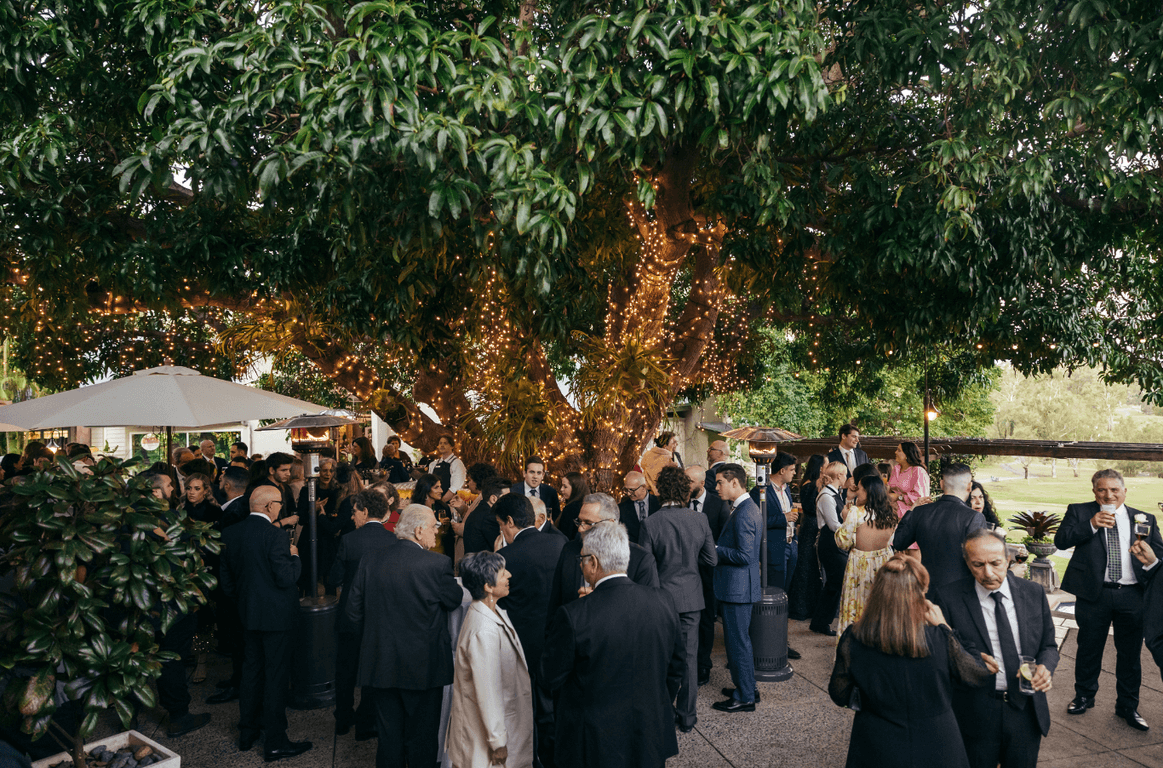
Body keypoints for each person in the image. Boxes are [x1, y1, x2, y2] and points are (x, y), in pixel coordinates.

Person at [829, 554, 996, 768]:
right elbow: (976, 673)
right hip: (938, 743)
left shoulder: (854, 637)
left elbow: (839, 692)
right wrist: (945, 627)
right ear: (920, 595)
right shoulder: (940, 638)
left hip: (877, 740)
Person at [541, 522, 683, 768]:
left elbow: (550, 677)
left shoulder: (574, 615)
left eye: (582, 559)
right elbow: (677, 666)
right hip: (648, 730)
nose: (580, 564)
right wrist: (653, 701)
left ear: (593, 563)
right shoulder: (663, 601)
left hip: (594, 740)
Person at [346, 504, 465, 768]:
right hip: (424, 666)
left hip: (380, 662)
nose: (437, 531)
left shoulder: (370, 560)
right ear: (419, 530)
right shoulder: (437, 564)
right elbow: (454, 599)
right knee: (422, 738)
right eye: (434, 526)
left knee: (388, 738)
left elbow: (353, 612)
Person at [936, 529, 1059, 768]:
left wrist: (1045, 667)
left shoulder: (1033, 592)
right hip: (975, 714)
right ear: (967, 563)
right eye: (978, 565)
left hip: (1025, 711)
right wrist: (967, 658)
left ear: (1008, 559)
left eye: (995, 563)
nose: (988, 573)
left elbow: (1049, 645)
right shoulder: (948, 598)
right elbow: (940, 657)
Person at [1054, 468, 1163, 730]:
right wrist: (1091, 525)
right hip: (1094, 594)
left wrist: (1149, 560)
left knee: (1130, 654)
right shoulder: (1080, 511)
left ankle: (1128, 706)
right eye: (1102, 489)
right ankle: (1084, 696)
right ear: (1094, 491)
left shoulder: (1144, 518)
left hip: (1133, 595)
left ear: (1124, 491)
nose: (1108, 495)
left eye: (1114, 489)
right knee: (1088, 648)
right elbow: (1061, 541)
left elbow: (1159, 556)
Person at [219, 485, 312, 761]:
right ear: (270, 506)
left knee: (251, 672)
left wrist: (245, 602)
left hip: (247, 615)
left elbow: (227, 582)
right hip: (277, 618)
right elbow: (286, 578)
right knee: (275, 677)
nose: (281, 508)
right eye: (280, 503)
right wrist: (295, 556)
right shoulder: (276, 536)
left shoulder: (230, 533)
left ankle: (247, 732)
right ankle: (275, 740)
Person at [639, 466, 716, 732]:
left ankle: (661, 712)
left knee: (660, 658)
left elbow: (646, 568)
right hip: (692, 599)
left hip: (661, 600)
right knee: (690, 659)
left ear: (660, 491)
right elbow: (712, 559)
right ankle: (687, 717)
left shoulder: (650, 523)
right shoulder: (700, 520)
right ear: (685, 491)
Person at [493, 492, 567, 767]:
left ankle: (535, 759)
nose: (502, 530)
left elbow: (497, 603)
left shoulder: (504, 557)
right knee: (556, 704)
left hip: (524, 643)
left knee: (529, 709)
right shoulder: (560, 543)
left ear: (510, 522)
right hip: (559, 636)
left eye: (501, 525)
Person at [447, 552, 534, 768]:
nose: (509, 575)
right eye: (503, 573)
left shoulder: (494, 612)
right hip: (484, 737)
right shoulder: (483, 631)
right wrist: (498, 742)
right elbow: (488, 690)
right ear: (488, 586)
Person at [328, 490, 399, 740]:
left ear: (365, 512)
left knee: (345, 668)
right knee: (374, 666)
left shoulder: (349, 540)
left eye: (354, 511)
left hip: (351, 612)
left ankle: (343, 718)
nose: (352, 516)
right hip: (381, 614)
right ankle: (367, 722)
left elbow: (334, 578)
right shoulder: (394, 540)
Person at [547, 493, 659, 618]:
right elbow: (555, 604)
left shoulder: (642, 560)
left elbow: (649, 612)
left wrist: (599, 601)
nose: (580, 529)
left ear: (611, 524)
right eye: (579, 522)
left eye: (588, 523)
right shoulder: (569, 550)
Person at [712, 463, 762, 712]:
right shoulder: (746, 507)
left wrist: (715, 549)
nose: (716, 487)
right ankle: (748, 688)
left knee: (737, 643)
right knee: (741, 641)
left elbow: (745, 555)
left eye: (720, 482)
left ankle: (745, 697)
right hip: (741, 587)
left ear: (735, 482)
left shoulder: (743, 513)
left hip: (737, 588)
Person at [893, 462, 986, 594]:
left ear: (941, 484)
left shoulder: (920, 512)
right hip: (960, 592)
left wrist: (911, 510)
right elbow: (980, 560)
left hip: (927, 588)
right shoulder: (974, 517)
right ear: (969, 486)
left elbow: (899, 542)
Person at [835, 474, 897, 635]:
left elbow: (843, 542)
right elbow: (892, 540)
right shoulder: (890, 513)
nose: (857, 492)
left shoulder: (855, 513)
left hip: (860, 564)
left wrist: (845, 518)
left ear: (868, 492)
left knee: (856, 606)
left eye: (860, 489)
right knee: (880, 606)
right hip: (884, 562)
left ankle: (853, 645)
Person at [685, 464, 726, 685]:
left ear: (702, 483)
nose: (686, 485)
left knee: (706, 620)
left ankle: (703, 664)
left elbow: (723, 538)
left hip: (709, 573)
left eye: (690, 481)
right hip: (685, 572)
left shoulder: (718, 505)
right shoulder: (681, 502)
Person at [748, 451, 800, 592]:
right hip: (774, 549)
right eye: (792, 470)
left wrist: (794, 542)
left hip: (790, 545)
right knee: (775, 589)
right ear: (782, 471)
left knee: (787, 589)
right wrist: (784, 518)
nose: (794, 473)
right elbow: (756, 521)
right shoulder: (759, 491)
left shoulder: (786, 489)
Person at [810, 461, 850, 636]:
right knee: (835, 583)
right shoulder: (827, 496)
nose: (846, 477)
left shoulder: (834, 494)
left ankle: (820, 622)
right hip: (830, 542)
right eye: (845, 474)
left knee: (834, 583)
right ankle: (821, 622)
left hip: (834, 541)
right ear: (839, 476)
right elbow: (834, 525)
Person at [788, 454, 826, 621]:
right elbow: (810, 507)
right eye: (825, 465)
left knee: (811, 567)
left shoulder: (813, 483)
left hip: (810, 525)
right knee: (805, 566)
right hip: (810, 526)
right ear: (819, 467)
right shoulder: (810, 485)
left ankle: (809, 606)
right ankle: (800, 607)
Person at [462, 477, 507, 556]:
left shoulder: (481, 510)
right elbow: (500, 547)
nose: (509, 501)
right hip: (482, 562)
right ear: (493, 499)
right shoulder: (489, 517)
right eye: (506, 497)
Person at [511, 456, 561, 525]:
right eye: (532, 472)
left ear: (543, 475)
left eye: (539, 473)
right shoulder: (512, 491)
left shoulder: (550, 492)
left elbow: (556, 518)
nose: (535, 476)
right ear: (524, 473)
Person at [887, 441, 929, 521]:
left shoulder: (918, 471)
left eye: (899, 450)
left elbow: (921, 499)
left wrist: (899, 497)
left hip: (910, 517)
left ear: (907, 454)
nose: (895, 452)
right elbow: (890, 489)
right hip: (892, 515)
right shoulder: (896, 469)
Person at [617, 470, 659, 544]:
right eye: (626, 490)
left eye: (632, 490)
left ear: (643, 487)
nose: (629, 493)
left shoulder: (659, 503)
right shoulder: (622, 508)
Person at [428, 433, 466, 502]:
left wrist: (441, 502)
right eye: (440, 443)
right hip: (434, 502)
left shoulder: (457, 463)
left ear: (452, 446)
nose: (442, 445)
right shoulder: (433, 464)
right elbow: (429, 485)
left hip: (450, 503)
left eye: (445, 443)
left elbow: (454, 489)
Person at [556, 471, 589, 540]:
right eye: (562, 486)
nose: (561, 489)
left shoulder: (570, 509)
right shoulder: (586, 504)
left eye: (565, 487)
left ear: (575, 488)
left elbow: (564, 536)